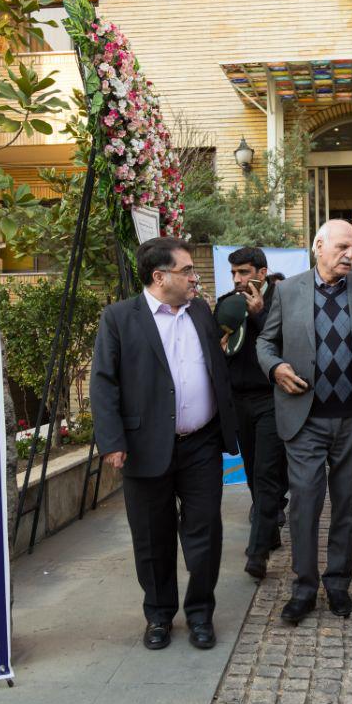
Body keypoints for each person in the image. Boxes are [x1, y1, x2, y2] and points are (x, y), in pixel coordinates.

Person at [91, 237, 238, 651]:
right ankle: (158, 615)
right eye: (187, 270)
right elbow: (104, 382)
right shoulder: (120, 318)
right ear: (159, 276)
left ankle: (200, 614)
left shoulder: (201, 312)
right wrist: (112, 441)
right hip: (144, 446)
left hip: (201, 443)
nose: (195, 277)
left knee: (205, 532)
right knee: (152, 538)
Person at [256, 219, 352, 623]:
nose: (350, 255)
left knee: (349, 507)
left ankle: (338, 583)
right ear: (318, 246)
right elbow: (265, 341)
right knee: (304, 505)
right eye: (342, 248)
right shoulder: (288, 290)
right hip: (304, 420)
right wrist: (275, 368)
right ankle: (304, 588)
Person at [216, 247, 287, 580]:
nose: (237, 279)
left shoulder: (281, 301)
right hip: (238, 401)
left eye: (243, 272)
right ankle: (269, 532)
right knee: (252, 472)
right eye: (233, 273)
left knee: (266, 472)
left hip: (271, 399)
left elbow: (287, 343)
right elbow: (219, 347)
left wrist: (259, 315)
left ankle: (257, 553)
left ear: (262, 272)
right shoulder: (227, 303)